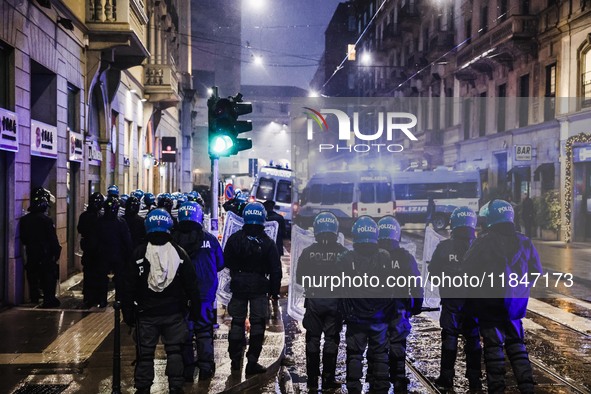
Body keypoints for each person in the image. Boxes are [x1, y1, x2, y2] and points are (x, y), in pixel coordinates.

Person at [464, 199, 543, 394]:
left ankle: (496, 389)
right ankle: (526, 387)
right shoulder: (524, 241)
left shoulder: (482, 241)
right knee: (517, 346)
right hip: (515, 308)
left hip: (489, 307)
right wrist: (520, 288)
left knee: (493, 350)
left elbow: (467, 270)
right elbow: (536, 271)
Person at [122, 208, 200, 394]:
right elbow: (192, 285)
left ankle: (143, 388)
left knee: (145, 354)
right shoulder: (179, 253)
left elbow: (127, 287)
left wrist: (128, 313)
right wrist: (194, 310)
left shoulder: (139, 253)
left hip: (146, 314)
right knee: (174, 352)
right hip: (174, 313)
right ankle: (175, 386)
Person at [223, 201, 282, 375]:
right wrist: (274, 292)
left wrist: (237, 274)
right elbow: (275, 270)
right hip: (259, 288)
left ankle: (235, 360)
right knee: (257, 324)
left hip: (239, 285)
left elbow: (226, 261)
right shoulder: (268, 242)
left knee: (237, 322)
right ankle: (252, 361)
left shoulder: (234, 239)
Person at [339, 216, 395, 394]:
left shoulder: (346, 258)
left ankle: (354, 388)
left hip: (356, 318)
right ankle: (380, 389)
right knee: (380, 355)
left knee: (355, 355)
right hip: (379, 317)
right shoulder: (384, 257)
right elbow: (391, 287)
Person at [428, 207, 482, 392]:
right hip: (474, 303)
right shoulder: (480, 246)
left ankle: (446, 377)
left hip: (451, 301)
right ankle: (475, 381)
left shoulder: (444, 247)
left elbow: (433, 273)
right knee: (473, 338)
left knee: (449, 336)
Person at [296, 211, 348, 391]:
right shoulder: (343, 253)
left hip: (314, 302)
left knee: (312, 340)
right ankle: (328, 380)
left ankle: (311, 382)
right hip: (335, 303)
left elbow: (299, 278)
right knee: (331, 341)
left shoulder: (308, 252)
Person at [173, 201, 224, 381]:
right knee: (204, 331)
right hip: (204, 295)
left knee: (185, 332)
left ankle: (187, 370)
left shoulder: (173, 240)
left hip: (181, 295)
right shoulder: (209, 239)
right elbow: (220, 263)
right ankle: (205, 368)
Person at [376, 215, 423, 392]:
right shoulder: (405, 257)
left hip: (376, 310)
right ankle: (399, 378)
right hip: (399, 309)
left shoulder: (372, 257)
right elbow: (416, 284)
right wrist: (417, 305)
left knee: (378, 345)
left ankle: (379, 381)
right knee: (398, 343)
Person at [19, 194, 62, 307]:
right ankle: (49, 299)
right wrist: (56, 252)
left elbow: (23, 238)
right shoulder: (46, 220)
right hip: (45, 254)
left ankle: (34, 297)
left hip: (31, 252)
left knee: (32, 276)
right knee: (48, 277)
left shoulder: (24, 220)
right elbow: (52, 238)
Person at [96, 196, 132, 305]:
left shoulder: (100, 221)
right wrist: (129, 253)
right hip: (117, 254)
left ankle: (102, 300)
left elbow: (96, 239)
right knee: (119, 278)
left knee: (102, 278)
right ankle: (118, 299)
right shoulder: (121, 222)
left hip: (103, 255)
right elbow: (127, 239)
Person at [77, 192, 105, 308]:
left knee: (89, 275)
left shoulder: (84, 216)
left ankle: (89, 297)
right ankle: (98, 298)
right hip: (97, 251)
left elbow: (80, 229)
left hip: (89, 251)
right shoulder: (100, 217)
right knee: (98, 275)